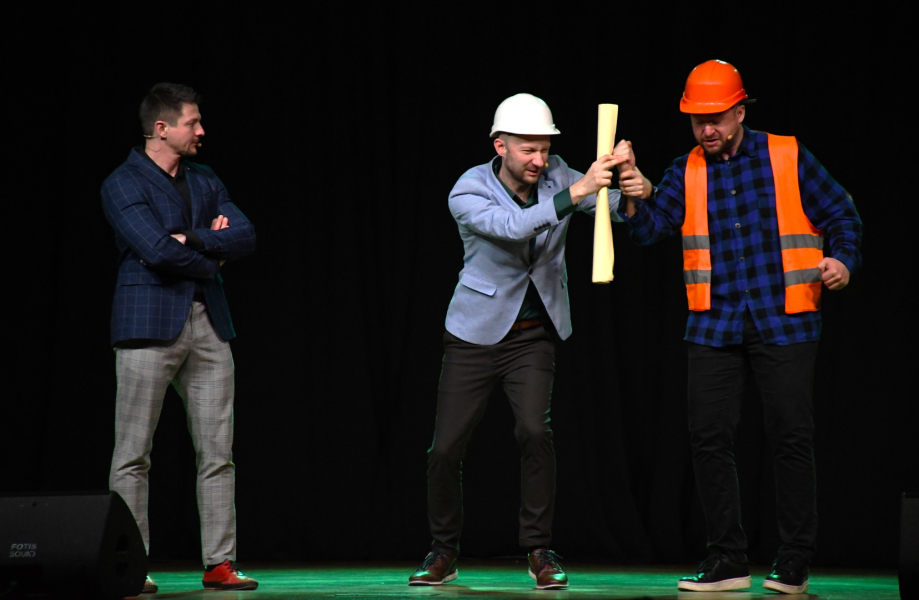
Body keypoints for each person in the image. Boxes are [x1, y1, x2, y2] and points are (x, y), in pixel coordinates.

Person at [619, 60, 862, 594]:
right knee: (708, 438)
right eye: (697, 120)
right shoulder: (687, 169)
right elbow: (652, 229)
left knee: (791, 438)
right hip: (715, 322)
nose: (706, 129)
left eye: (716, 118)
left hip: (786, 317)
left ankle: (794, 559)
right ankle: (727, 558)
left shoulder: (786, 154)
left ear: (740, 111)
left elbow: (842, 214)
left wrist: (843, 259)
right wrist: (636, 194)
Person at [408, 93, 649, 590]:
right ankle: (443, 549)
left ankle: (539, 549)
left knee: (536, 433)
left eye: (545, 149)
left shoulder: (559, 174)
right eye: (528, 150)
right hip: (474, 335)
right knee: (445, 448)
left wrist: (630, 182)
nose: (540, 160)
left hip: (533, 336)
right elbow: (513, 228)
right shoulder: (468, 189)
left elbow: (618, 215)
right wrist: (579, 189)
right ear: (501, 146)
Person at [101, 82, 258, 593]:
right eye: (192, 122)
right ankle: (131, 565)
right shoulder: (123, 182)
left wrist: (192, 237)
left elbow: (245, 234)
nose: (201, 130)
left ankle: (220, 562)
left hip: (208, 324)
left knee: (218, 452)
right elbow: (154, 249)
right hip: (148, 325)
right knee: (133, 454)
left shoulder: (205, 178)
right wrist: (213, 256)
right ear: (161, 128)